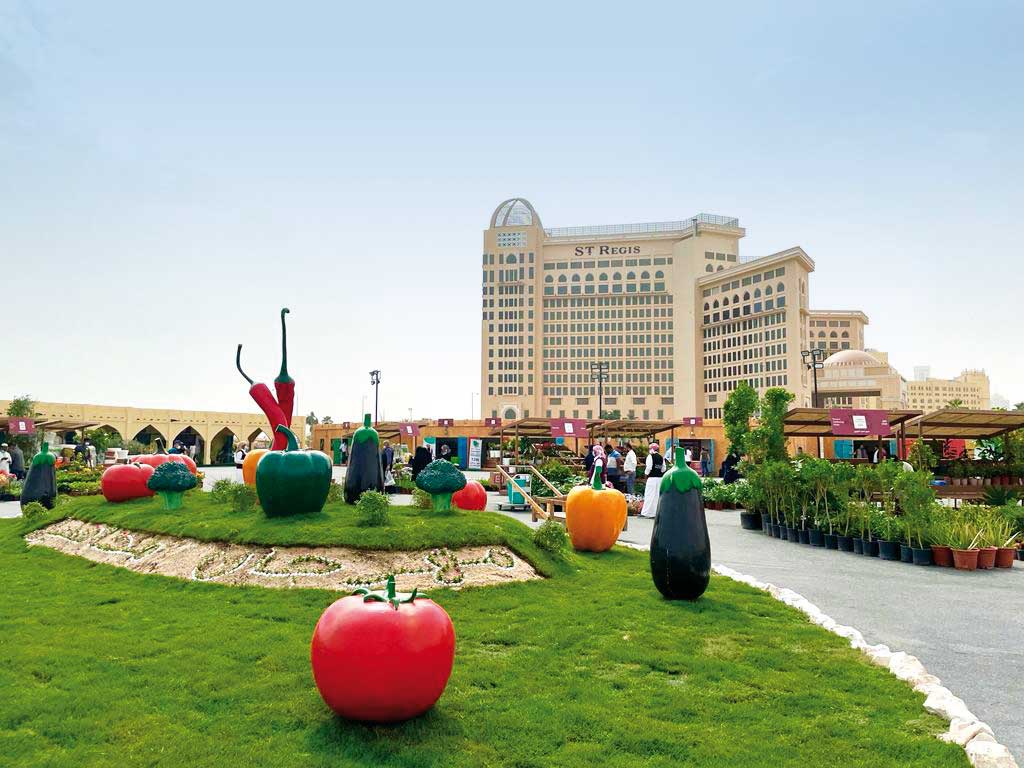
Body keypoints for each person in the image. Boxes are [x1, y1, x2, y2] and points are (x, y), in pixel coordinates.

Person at [640, 442, 666, 518]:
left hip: (651, 478)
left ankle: (646, 513)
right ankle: (656, 513)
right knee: (657, 495)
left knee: (649, 495)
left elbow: (648, 468)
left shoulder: (650, 456)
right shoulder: (661, 457)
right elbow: (663, 468)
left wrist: (645, 475)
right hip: (660, 479)